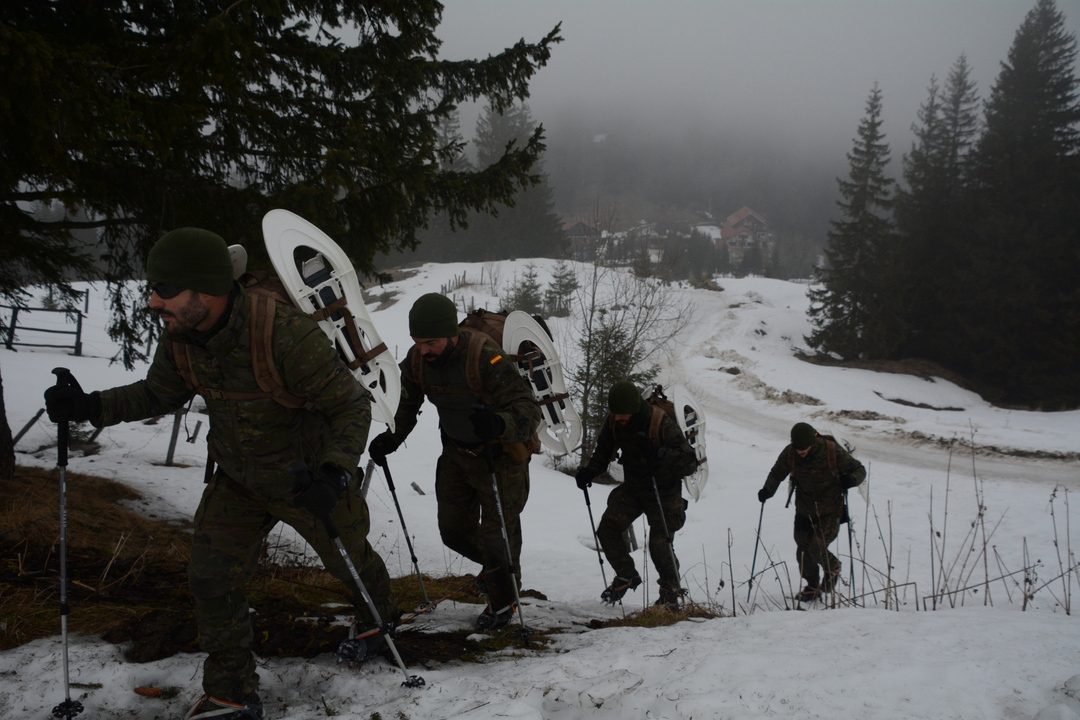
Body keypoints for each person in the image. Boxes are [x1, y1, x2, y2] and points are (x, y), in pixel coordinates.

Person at [43, 228, 395, 720]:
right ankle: (231, 693)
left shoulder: (283, 333)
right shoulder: (182, 337)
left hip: (305, 478)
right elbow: (157, 393)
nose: (152, 301)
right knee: (210, 578)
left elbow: (350, 404)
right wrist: (90, 405)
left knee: (349, 561)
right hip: (238, 480)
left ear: (204, 290)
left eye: (164, 290)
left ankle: (379, 620)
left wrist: (335, 473)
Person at [366, 293, 541, 631]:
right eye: (417, 342)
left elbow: (527, 410)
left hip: (500, 459)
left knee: (497, 536)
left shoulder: (484, 357)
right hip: (456, 456)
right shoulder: (418, 362)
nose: (423, 349)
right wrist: (392, 438)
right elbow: (405, 402)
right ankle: (496, 569)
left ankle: (503, 602)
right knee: (453, 532)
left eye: (430, 342)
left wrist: (498, 423)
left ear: (451, 335)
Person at [574, 381, 699, 610]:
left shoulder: (660, 422)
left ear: (635, 409)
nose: (619, 418)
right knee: (607, 529)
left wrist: (659, 453)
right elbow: (603, 450)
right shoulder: (614, 421)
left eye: (624, 414)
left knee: (659, 544)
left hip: (665, 491)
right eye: (616, 414)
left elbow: (690, 462)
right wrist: (589, 472)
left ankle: (670, 595)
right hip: (635, 487)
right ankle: (626, 576)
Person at [757, 422, 866, 602]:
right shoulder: (790, 453)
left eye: (804, 448)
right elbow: (777, 473)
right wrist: (768, 490)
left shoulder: (830, 451)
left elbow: (859, 469)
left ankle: (833, 567)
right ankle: (812, 586)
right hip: (804, 510)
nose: (801, 452)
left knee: (817, 547)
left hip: (830, 510)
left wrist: (851, 480)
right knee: (802, 550)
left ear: (813, 442)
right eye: (797, 448)